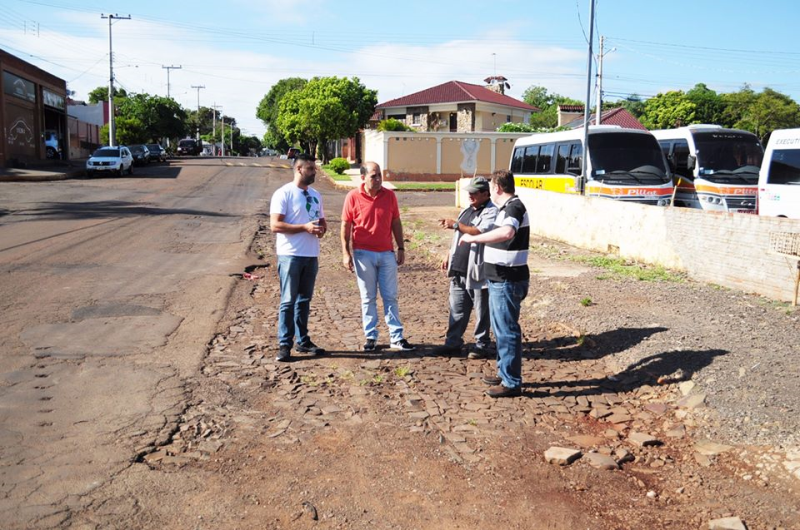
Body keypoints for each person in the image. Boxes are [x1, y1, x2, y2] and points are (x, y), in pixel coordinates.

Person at [459, 169, 529, 398]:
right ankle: (504, 372)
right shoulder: (505, 209)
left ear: (497, 188)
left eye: (490, 187)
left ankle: (511, 382)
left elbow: (507, 232)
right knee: (500, 329)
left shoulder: (513, 207)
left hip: (507, 279)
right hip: (500, 278)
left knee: (507, 330)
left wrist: (473, 238)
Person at [341, 162, 415, 352]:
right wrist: (345, 252)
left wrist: (401, 247)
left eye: (380, 175)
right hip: (362, 254)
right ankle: (371, 336)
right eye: (373, 176)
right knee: (368, 297)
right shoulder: (353, 197)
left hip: (386, 253)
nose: (378, 179)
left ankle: (396, 337)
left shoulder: (389, 196)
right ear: (363, 177)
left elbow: (396, 222)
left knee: (390, 296)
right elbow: (346, 226)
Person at [269, 153, 328, 362]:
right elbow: (275, 225)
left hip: (311, 254)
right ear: (299, 169)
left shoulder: (315, 195)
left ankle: (303, 341)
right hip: (290, 255)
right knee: (288, 300)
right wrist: (304, 227)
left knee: (304, 300)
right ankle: (284, 344)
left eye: (315, 168)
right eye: (311, 169)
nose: (315, 172)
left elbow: (321, 221)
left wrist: (321, 230)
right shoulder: (283, 194)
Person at [432, 176, 497, 358]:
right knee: (457, 308)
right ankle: (453, 343)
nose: (470, 195)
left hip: (477, 270)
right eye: (469, 192)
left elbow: (479, 231)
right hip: (459, 269)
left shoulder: (491, 211)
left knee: (481, 309)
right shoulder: (467, 211)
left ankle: (482, 344)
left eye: (474, 192)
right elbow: (457, 236)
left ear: (485, 194)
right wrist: (448, 254)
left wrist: (456, 225)